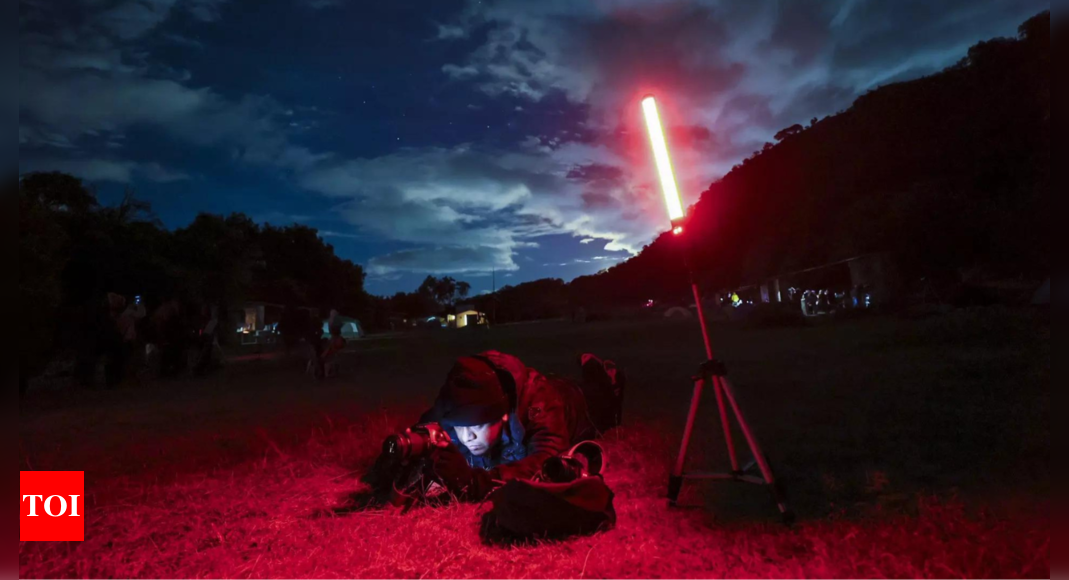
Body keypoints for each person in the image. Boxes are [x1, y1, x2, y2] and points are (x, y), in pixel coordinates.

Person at [411, 351, 625, 501]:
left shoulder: (539, 402)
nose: (468, 438)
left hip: (575, 402)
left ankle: (603, 374)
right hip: (547, 388)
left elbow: (547, 459)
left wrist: (477, 481)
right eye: (460, 427)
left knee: (604, 404)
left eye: (477, 426)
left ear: (503, 415)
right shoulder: (459, 393)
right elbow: (421, 431)